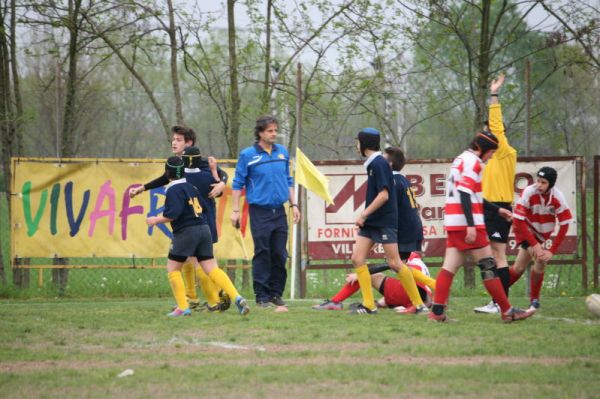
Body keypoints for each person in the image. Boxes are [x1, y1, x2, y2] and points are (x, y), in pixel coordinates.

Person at [428, 130, 536, 323]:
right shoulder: (474, 163)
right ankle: (507, 311)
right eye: (491, 153)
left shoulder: (461, 159)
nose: (491, 157)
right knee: (488, 265)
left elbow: (471, 194)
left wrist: (497, 210)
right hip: (468, 223)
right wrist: (470, 225)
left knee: (449, 266)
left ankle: (436, 312)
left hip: (453, 221)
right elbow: (464, 193)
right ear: (482, 149)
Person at [130, 125, 229, 312]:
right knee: (189, 258)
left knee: (199, 260)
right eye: (173, 139)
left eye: (178, 140)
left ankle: (215, 296)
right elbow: (164, 178)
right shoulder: (178, 164)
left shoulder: (199, 162)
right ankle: (198, 297)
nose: (174, 142)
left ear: (188, 143)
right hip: (187, 220)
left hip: (202, 218)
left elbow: (222, 174)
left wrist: (222, 183)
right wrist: (142, 188)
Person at [145, 157, 249, 317]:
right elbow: (203, 207)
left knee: (173, 269)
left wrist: (155, 220)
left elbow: (173, 214)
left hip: (187, 231)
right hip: (204, 228)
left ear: (167, 173)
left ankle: (182, 307)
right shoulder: (191, 187)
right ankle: (237, 297)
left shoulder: (173, 190)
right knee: (211, 268)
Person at [348, 128, 426, 315]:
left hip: (383, 221)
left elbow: (384, 195)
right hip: (373, 221)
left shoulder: (379, 163)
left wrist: (363, 215)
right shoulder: (373, 163)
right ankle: (369, 305)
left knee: (395, 263)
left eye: (357, 142)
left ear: (363, 144)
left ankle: (419, 304)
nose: (356, 146)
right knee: (357, 258)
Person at [230, 115, 301, 308]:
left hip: (279, 211)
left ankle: (276, 294)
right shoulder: (248, 155)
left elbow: (288, 180)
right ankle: (261, 296)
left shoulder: (282, 153)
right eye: (270, 131)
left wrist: (294, 204)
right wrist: (235, 210)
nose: (274, 134)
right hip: (259, 211)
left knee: (280, 253)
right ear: (260, 132)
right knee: (263, 252)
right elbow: (237, 183)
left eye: (276, 130)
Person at [474, 73, 518, 314]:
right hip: (489, 207)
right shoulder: (488, 158)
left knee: (498, 256)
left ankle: (501, 303)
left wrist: (494, 94)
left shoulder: (502, 150)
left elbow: (496, 124)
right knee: (488, 255)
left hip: (499, 206)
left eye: (487, 133)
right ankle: (498, 301)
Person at [505, 166, 573, 310]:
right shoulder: (529, 191)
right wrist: (535, 245)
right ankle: (534, 300)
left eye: (544, 182)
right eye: (538, 181)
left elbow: (565, 225)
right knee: (540, 260)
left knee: (518, 267)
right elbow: (518, 221)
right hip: (524, 230)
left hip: (540, 235)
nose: (539, 185)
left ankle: (497, 294)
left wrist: (552, 250)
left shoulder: (557, 197)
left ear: (551, 184)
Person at [383, 146, 436, 314]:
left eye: (383, 160)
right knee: (399, 266)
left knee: (398, 265)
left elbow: (392, 209)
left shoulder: (391, 181)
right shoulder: (402, 180)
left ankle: (421, 301)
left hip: (404, 229)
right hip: (412, 227)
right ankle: (430, 292)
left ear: (389, 164)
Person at [312, 252, 432, 311]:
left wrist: (359, 275)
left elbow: (389, 264)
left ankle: (335, 302)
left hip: (411, 293)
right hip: (423, 299)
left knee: (367, 276)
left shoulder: (405, 254)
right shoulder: (418, 262)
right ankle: (377, 304)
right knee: (395, 284)